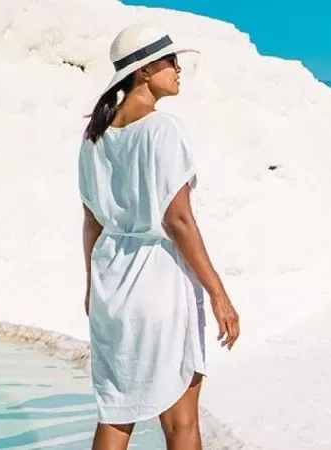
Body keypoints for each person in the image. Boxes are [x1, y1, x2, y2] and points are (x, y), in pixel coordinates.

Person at [77, 23, 240, 450]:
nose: (179, 68)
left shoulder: (95, 135)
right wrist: (219, 295)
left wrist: (92, 285)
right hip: (159, 281)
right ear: (144, 71)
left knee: (116, 412)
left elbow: (92, 220)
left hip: (113, 281)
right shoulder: (162, 129)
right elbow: (178, 220)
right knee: (182, 420)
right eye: (170, 60)